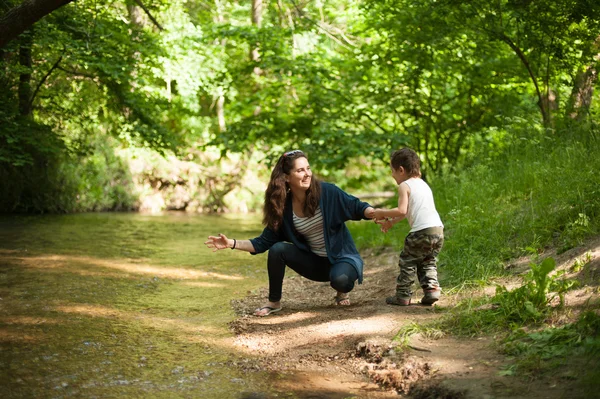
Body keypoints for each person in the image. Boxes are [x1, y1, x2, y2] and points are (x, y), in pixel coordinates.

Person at [204, 150, 375, 316]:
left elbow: (357, 207)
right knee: (277, 249)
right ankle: (274, 302)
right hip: (316, 264)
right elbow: (261, 243)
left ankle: (341, 292)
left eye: (308, 168)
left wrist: (375, 213)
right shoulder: (283, 209)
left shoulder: (327, 192)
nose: (307, 174)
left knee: (342, 281)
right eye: (300, 170)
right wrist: (231, 243)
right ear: (287, 177)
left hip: (343, 259)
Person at [372, 148, 444, 306]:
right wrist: (390, 222)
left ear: (401, 170)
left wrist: (381, 213)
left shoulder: (404, 185)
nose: (392, 175)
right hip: (437, 230)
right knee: (428, 260)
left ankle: (403, 295)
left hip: (421, 231)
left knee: (407, 261)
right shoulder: (423, 184)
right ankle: (431, 291)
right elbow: (406, 213)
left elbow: (401, 210)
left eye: (392, 171)